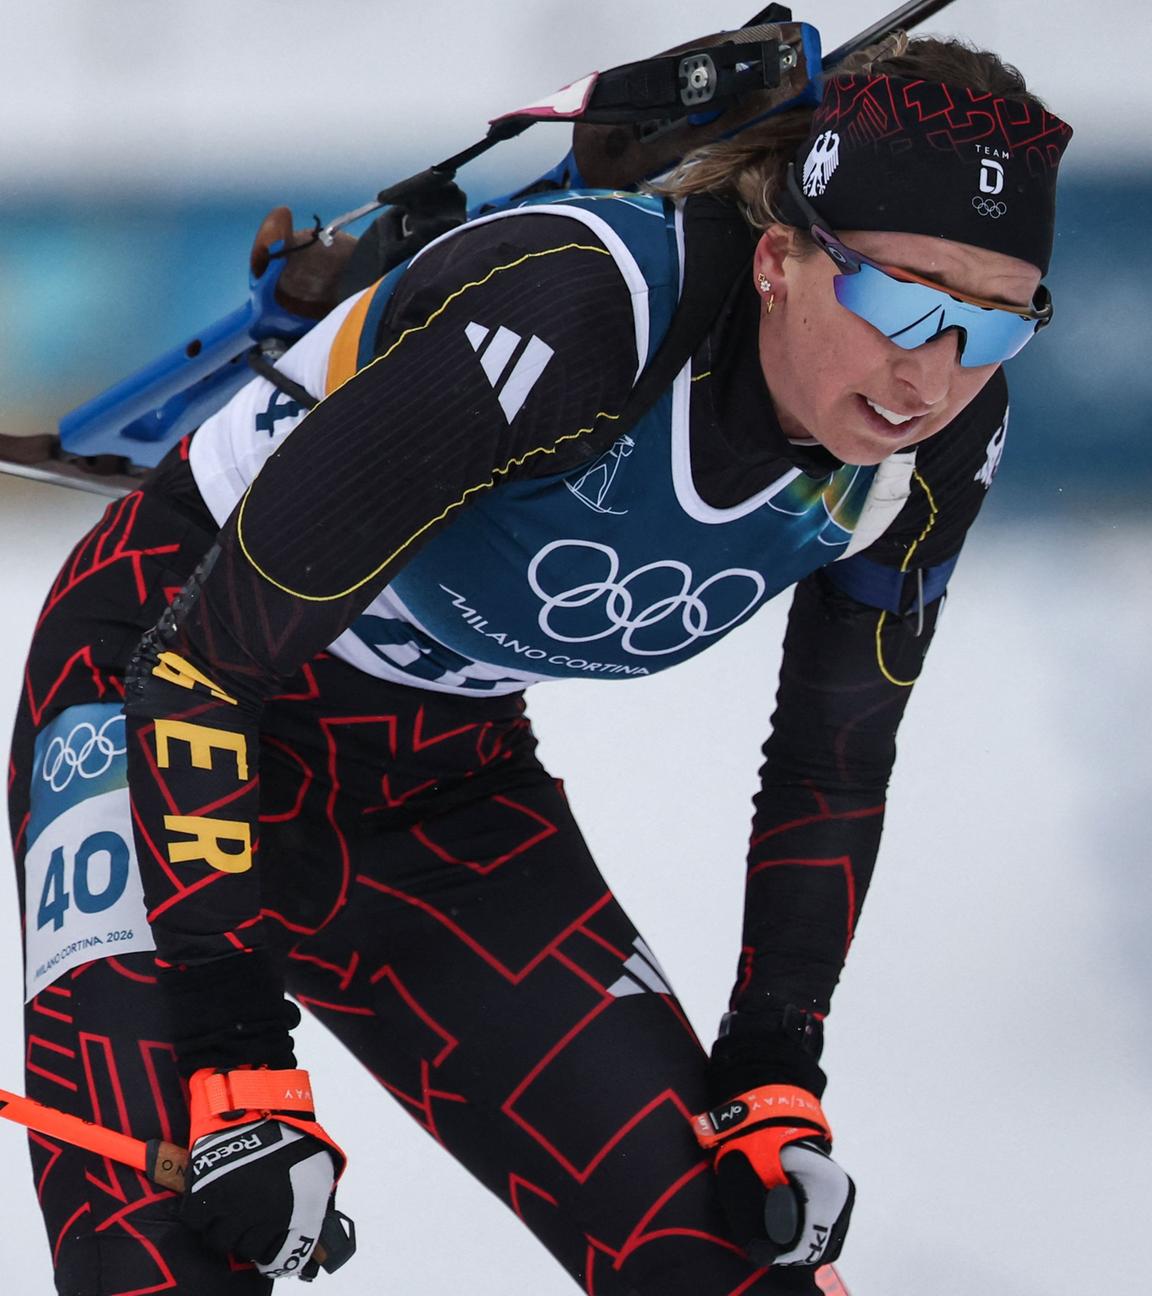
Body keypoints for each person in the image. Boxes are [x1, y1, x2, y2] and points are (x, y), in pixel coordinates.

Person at [8, 32, 1072, 1296]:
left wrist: (777, 1067)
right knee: (161, 1264)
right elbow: (202, 672)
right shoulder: (583, 314)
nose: (932, 373)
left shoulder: (930, 451)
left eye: (992, 326)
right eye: (902, 297)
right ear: (783, 256)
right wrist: (237, 1051)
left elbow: (831, 764)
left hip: (434, 783)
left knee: (732, 1267)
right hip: (159, 698)